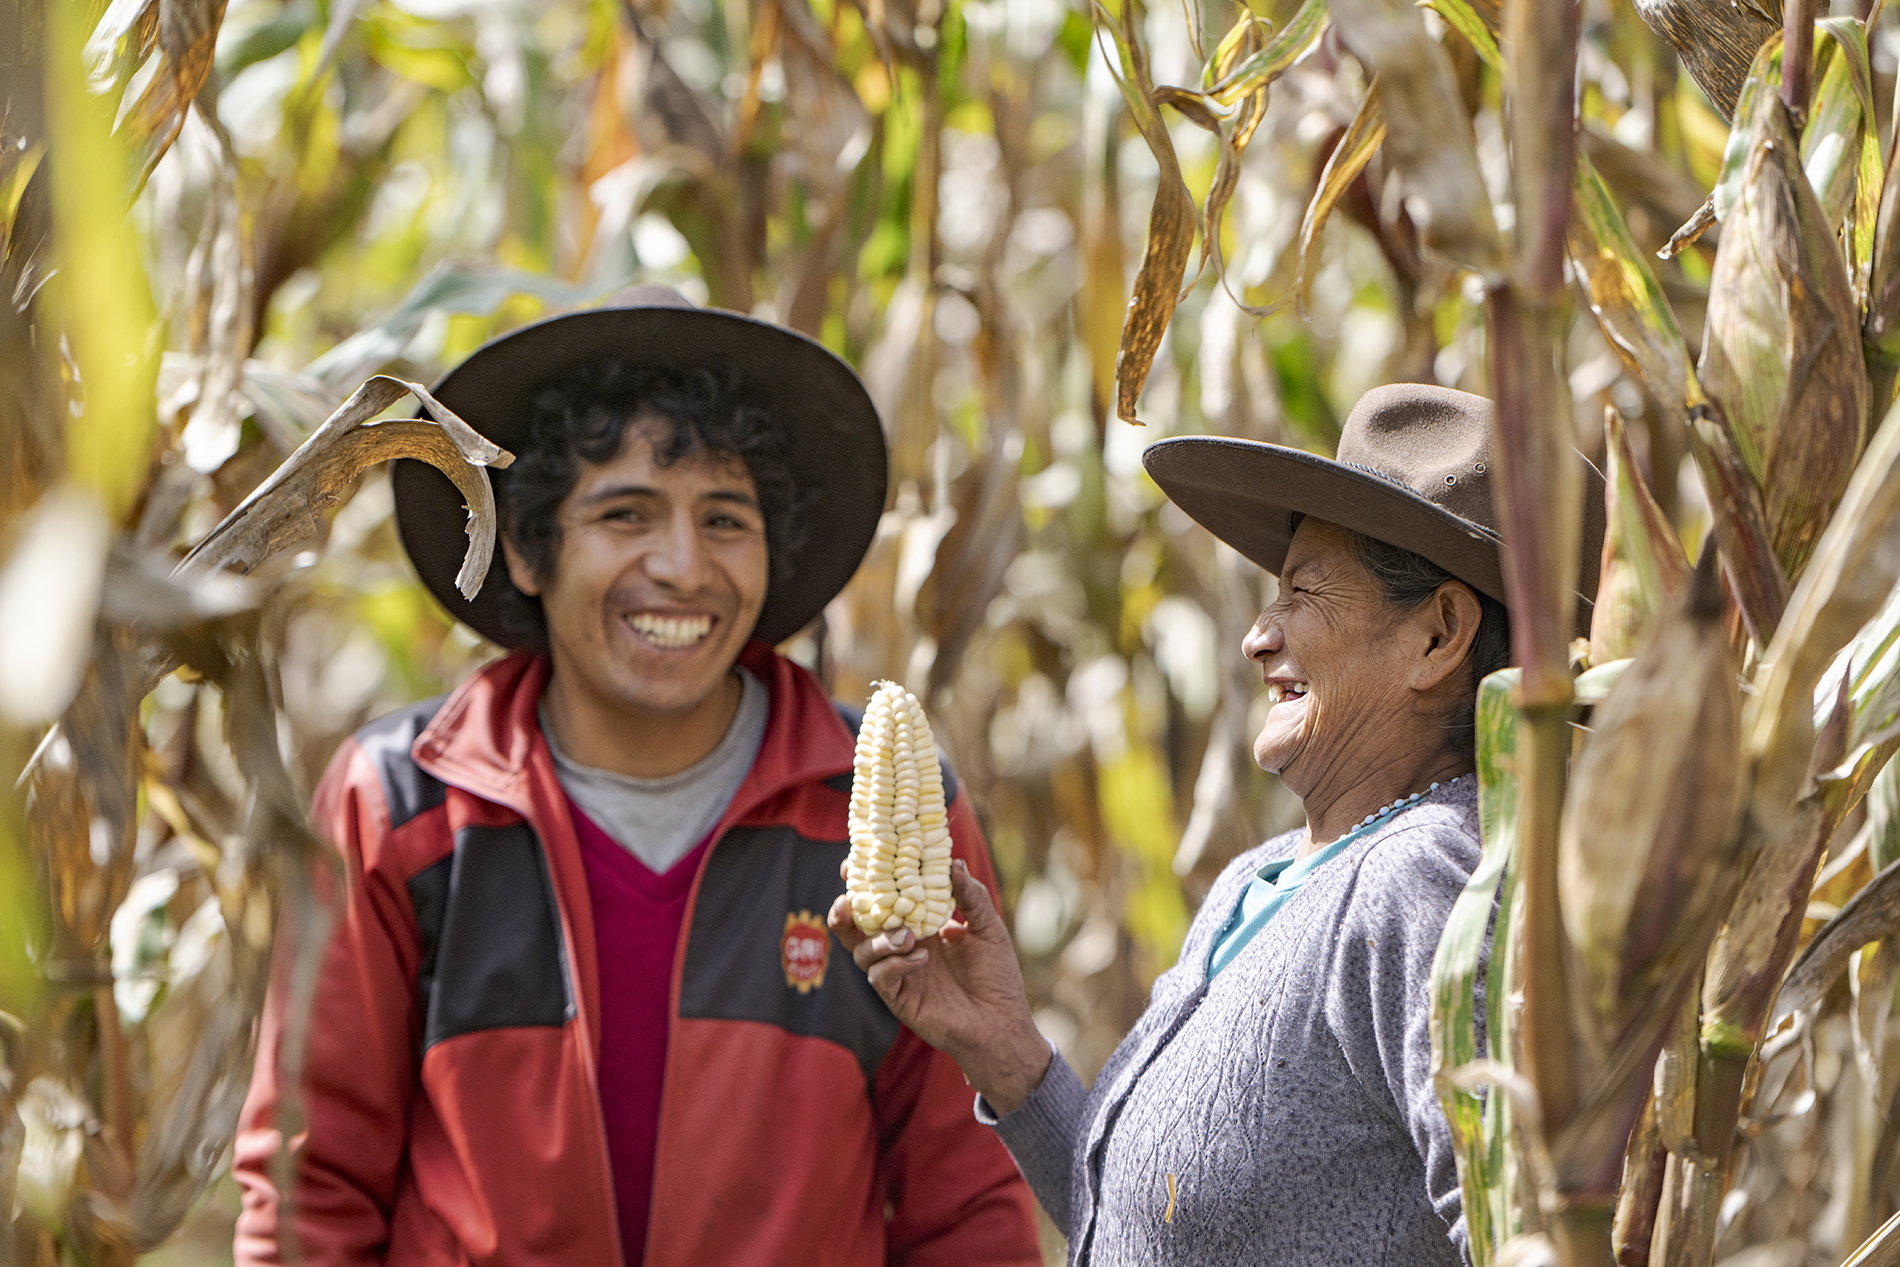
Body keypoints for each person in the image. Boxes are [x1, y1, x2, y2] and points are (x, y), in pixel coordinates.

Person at [233, 286, 1041, 1265]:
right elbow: (312, 1190)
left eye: (725, 519)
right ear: (529, 548)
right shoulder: (398, 806)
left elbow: (963, 1198)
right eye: (625, 513)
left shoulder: (862, 817)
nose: (681, 564)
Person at [831, 384, 1603, 1266]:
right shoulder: (1263, 876)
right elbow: (1147, 1228)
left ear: (1439, 634)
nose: (1256, 637)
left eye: (1303, 592)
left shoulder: (1427, 885)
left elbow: (1527, 1240)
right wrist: (1002, 1047)